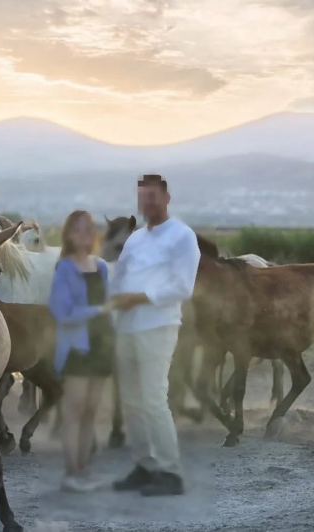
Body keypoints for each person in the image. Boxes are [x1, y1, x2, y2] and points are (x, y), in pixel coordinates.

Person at [109, 174, 201, 496]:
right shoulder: (135, 239)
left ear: (166, 198)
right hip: (126, 329)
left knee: (152, 399)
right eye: (142, 197)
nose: (147, 203)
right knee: (131, 402)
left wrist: (138, 297)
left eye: (152, 197)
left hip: (158, 327)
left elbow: (182, 286)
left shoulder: (182, 236)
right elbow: (118, 279)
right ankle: (145, 465)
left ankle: (170, 472)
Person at [48, 210, 116, 492]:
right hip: (77, 347)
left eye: (88, 229)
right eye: (78, 229)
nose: (84, 234)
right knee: (74, 411)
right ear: (69, 235)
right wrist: (98, 310)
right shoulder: (64, 268)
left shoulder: (100, 267)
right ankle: (71, 473)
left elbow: (111, 304)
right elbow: (61, 312)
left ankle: (84, 470)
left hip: (102, 345)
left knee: (91, 411)